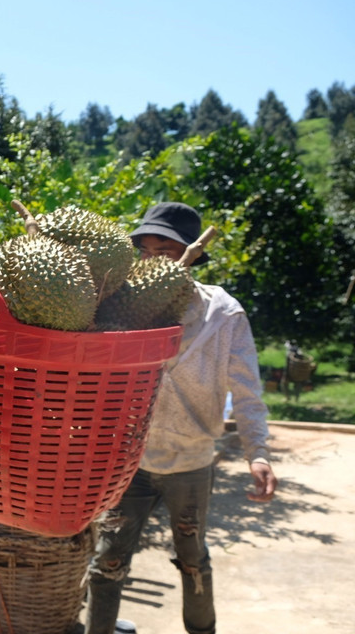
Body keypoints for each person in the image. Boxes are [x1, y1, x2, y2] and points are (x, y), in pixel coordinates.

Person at [83, 202, 278, 634]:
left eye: (165, 250)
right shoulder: (120, 312)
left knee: (193, 559)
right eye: (145, 250)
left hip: (191, 463)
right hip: (130, 462)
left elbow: (247, 388)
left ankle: (201, 630)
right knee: (108, 560)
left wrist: (258, 453)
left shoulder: (222, 314)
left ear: (191, 255)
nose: (152, 259)